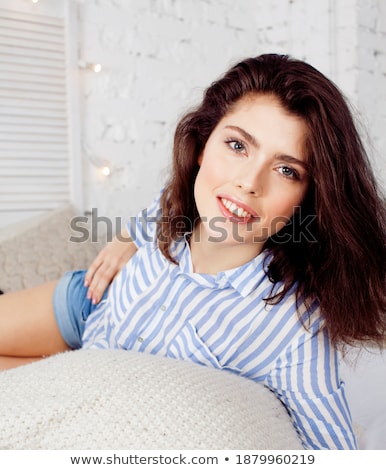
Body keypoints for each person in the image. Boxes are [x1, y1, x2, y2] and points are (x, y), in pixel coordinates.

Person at [0, 53, 385, 449]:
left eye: (286, 170)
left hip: (93, 370)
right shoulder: (185, 201)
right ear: (202, 146)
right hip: (90, 303)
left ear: (307, 197)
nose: (249, 182)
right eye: (237, 145)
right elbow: (161, 205)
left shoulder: (295, 331)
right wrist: (128, 238)